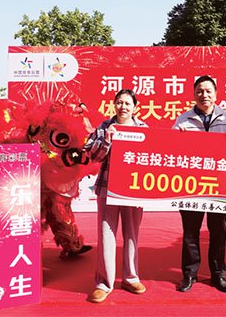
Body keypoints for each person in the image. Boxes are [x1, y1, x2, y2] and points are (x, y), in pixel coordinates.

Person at [172, 75, 226, 293]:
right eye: (199, 91)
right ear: (193, 94)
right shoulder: (183, 120)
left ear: (215, 94)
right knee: (190, 231)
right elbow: (171, 149)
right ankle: (189, 274)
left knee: (218, 230)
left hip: (219, 185)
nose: (203, 95)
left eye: (208, 91)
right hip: (191, 184)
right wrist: (177, 138)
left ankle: (218, 274)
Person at [84, 89, 148, 303]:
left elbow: (152, 157)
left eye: (128, 103)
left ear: (135, 107)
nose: (123, 107)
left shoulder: (143, 129)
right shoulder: (104, 127)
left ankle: (131, 277)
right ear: (114, 105)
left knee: (132, 234)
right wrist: (107, 140)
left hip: (134, 191)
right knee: (106, 235)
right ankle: (104, 283)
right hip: (107, 189)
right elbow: (92, 155)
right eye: (120, 102)